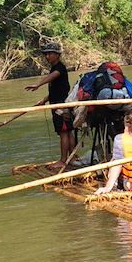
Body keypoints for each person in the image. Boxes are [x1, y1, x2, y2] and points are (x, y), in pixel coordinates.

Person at [25, 42, 76, 171]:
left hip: (61, 106)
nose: (48, 56)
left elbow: (53, 77)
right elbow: (56, 90)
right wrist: (44, 100)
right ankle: (73, 157)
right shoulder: (55, 68)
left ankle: (63, 161)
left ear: (57, 55)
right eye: (46, 54)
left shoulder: (59, 68)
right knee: (67, 131)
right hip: (59, 103)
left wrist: (38, 84)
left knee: (64, 132)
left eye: (50, 54)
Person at [94, 109, 132, 207]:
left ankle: (124, 185)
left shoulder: (120, 139)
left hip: (131, 182)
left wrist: (108, 187)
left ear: (127, 126)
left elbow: (117, 165)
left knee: (113, 162)